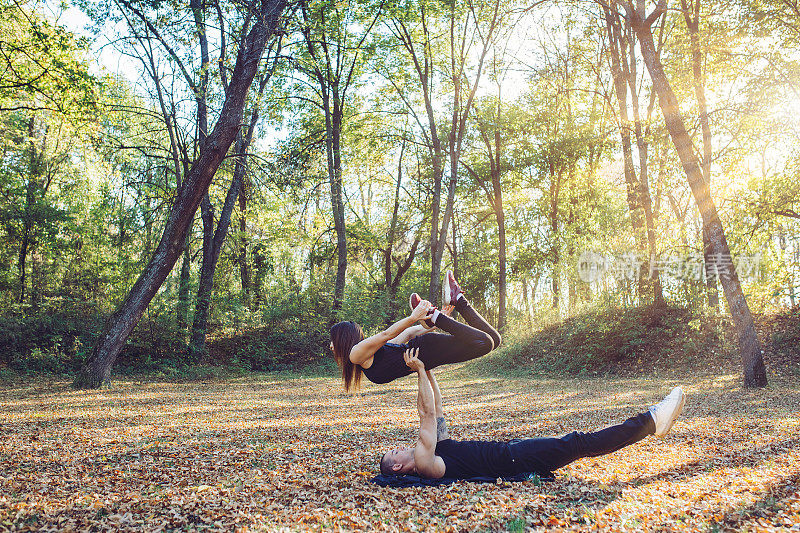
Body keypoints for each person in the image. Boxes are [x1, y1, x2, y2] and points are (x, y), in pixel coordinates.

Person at [380, 348, 686, 480]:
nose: (398, 447)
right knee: (579, 443)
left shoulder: (434, 450)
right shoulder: (424, 462)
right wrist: (419, 370)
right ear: (397, 468)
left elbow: (439, 409)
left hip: (514, 454)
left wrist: (429, 370)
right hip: (516, 460)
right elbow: (427, 415)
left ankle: (650, 423)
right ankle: (651, 422)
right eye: (393, 453)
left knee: (579, 444)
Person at [330, 271, 501, 391]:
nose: (331, 346)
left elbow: (388, 334)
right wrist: (439, 321)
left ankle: (437, 312)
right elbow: (408, 334)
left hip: (429, 350)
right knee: (494, 339)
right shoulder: (368, 357)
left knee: (485, 343)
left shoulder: (355, 353)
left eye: (333, 340)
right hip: (430, 354)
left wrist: (419, 317)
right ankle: (457, 299)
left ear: (343, 339)